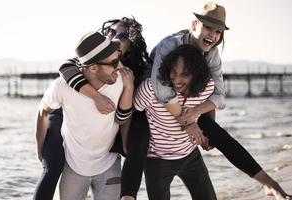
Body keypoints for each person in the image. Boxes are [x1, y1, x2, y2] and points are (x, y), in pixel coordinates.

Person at [150, 2, 291, 200]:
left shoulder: (212, 53)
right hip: (152, 108)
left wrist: (207, 125)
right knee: (138, 139)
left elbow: (219, 95)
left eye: (218, 31)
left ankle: (269, 184)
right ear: (193, 25)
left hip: (187, 105)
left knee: (220, 135)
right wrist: (190, 123)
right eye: (207, 27)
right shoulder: (170, 45)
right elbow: (161, 91)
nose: (213, 35)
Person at [32, 17, 150, 200]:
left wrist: (128, 87)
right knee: (52, 166)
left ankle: (129, 194)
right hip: (74, 160)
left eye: (123, 35)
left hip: (108, 160)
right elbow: (67, 68)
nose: (116, 38)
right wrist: (40, 146)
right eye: (111, 33)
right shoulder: (68, 81)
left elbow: (124, 117)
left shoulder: (126, 76)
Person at [134, 44, 216, 200]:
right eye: (174, 72)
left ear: (197, 74)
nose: (177, 79)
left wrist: (208, 133)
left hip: (191, 155)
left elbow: (211, 103)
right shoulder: (150, 89)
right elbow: (133, 111)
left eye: (185, 74)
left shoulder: (207, 86)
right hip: (157, 160)